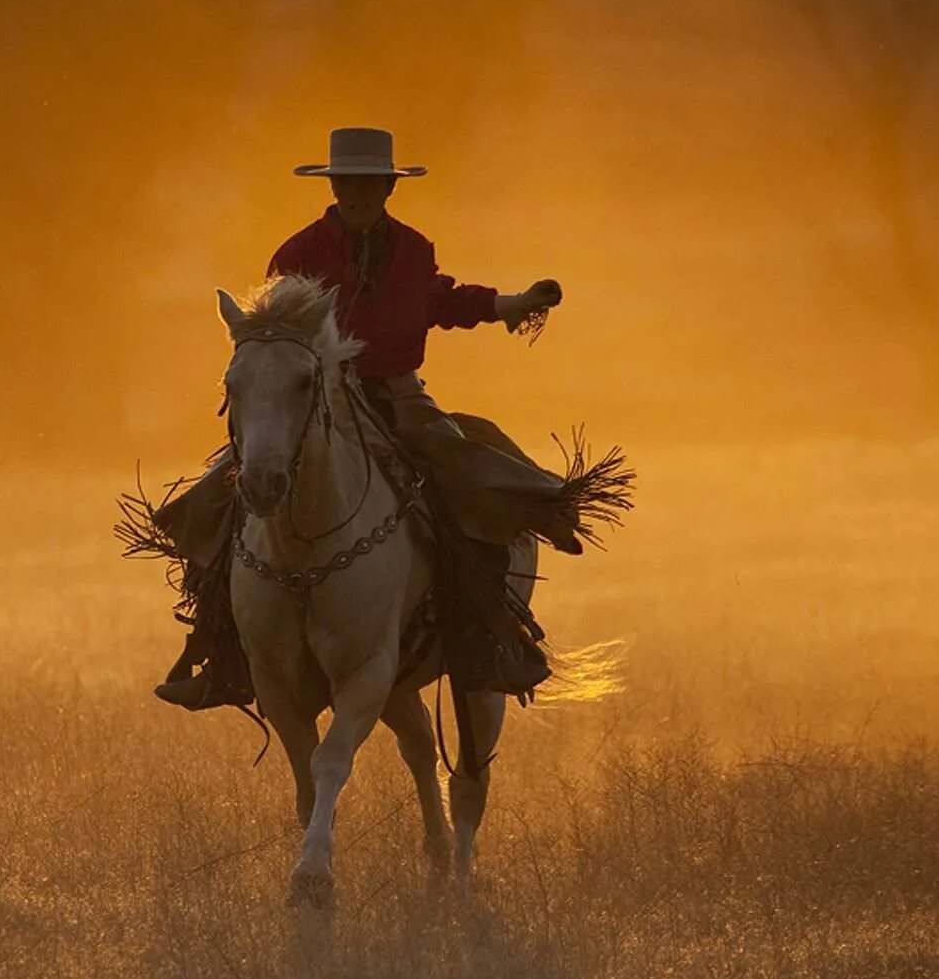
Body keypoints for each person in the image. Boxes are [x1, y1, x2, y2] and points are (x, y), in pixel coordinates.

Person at [149, 127, 608, 712]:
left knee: (466, 475)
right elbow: (273, 330)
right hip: (312, 399)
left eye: (370, 183)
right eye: (348, 182)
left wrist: (507, 306)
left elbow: (441, 300)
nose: (358, 192)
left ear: (389, 188)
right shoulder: (296, 253)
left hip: (396, 396)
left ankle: (495, 634)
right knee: (212, 503)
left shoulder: (415, 249)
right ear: (335, 187)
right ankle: (215, 649)